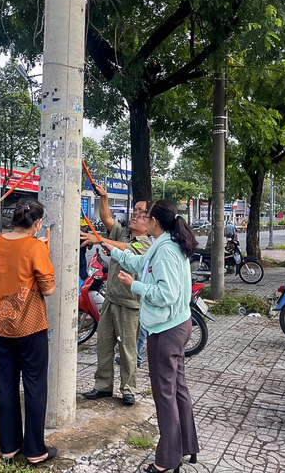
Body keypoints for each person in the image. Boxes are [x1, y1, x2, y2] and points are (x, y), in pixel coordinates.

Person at [106, 199, 200, 473]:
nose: (141, 219)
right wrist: (113, 251)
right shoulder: (165, 244)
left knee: (165, 395)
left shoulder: (166, 251)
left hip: (166, 330)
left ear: (154, 222)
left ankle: (166, 460)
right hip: (175, 325)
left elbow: (166, 294)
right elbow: (140, 260)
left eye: (145, 216)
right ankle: (186, 446)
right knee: (178, 389)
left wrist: (133, 285)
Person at [0, 200, 57, 465]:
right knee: (34, 386)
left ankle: (8, 446)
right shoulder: (35, 246)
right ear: (37, 224)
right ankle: (35, 449)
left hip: (0, 326)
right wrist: (44, 252)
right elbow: (48, 289)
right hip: (30, 327)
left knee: (5, 384)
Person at [80, 185, 151, 406]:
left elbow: (125, 248)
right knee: (104, 344)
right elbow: (108, 219)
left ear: (150, 223)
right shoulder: (124, 233)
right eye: (135, 212)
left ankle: (128, 389)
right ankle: (103, 386)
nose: (135, 216)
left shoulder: (146, 243)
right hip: (111, 299)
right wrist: (103, 197)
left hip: (130, 304)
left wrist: (100, 240)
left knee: (128, 350)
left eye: (141, 214)